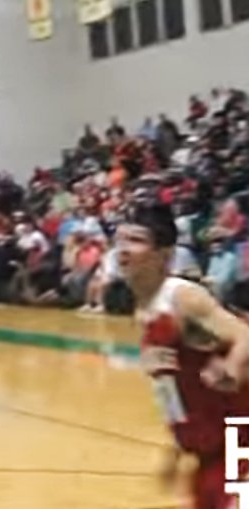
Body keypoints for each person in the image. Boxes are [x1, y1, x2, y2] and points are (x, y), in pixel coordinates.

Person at [119, 201, 249, 509]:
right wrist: (177, 448)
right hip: (211, 449)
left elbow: (245, 335)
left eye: (136, 240)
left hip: (240, 442)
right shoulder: (144, 308)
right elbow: (175, 389)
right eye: (120, 239)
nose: (123, 249)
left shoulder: (183, 298)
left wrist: (231, 365)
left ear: (164, 255)